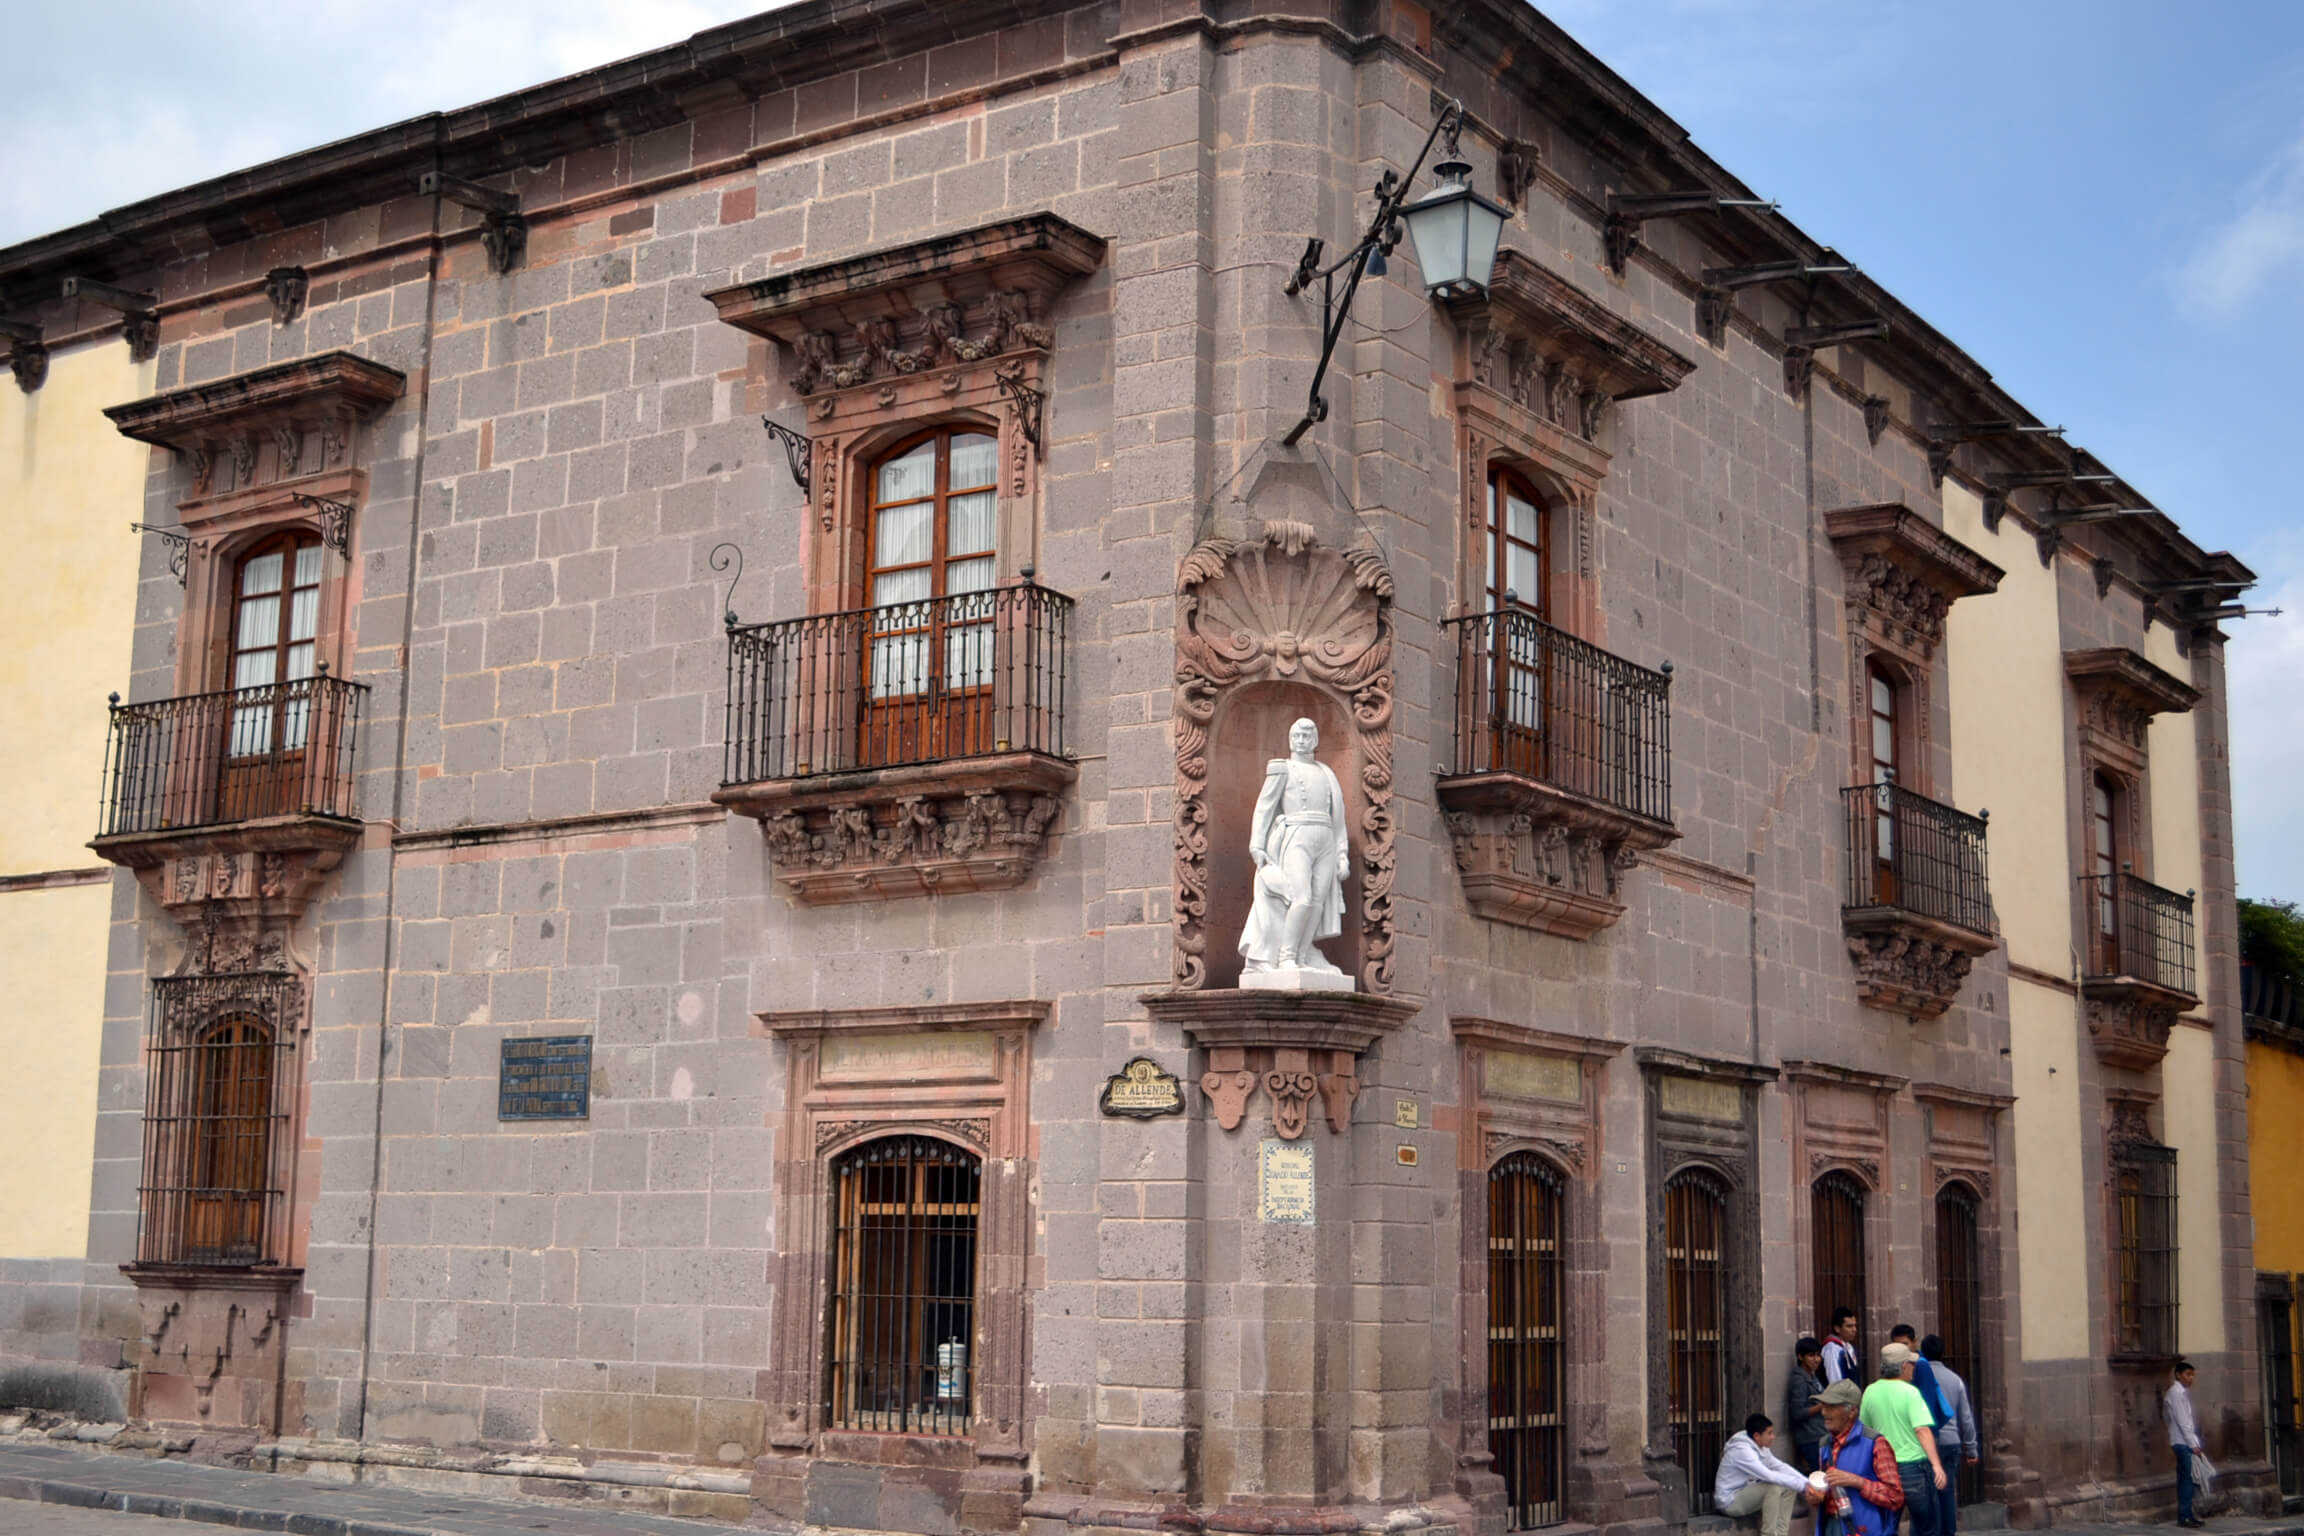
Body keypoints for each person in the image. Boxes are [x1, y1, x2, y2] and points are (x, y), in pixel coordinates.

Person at [1239, 717, 1351, 979]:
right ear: (1291, 739)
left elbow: (1339, 819)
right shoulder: (1282, 769)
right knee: (1299, 897)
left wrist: (1342, 853)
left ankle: (1302, 954)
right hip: (1296, 835)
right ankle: (1286, 955)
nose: (1301, 741)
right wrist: (1257, 844)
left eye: (1307, 736)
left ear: (1315, 740)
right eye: (1297, 736)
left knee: (1317, 902)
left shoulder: (1327, 772)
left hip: (1325, 839)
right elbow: (1264, 808)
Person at [1860, 1342, 1946, 1536]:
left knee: (1888, 1525)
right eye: (1911, 1364)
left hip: (1883, 1468)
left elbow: (1865, 1431)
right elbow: (1922, 1430)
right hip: (1913, 1466)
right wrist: (1936, 1465)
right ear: (1903, 1366)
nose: (1914, 1368)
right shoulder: (1911, 1393)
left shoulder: (1870, 1392)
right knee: (1926, 1526)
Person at [1814, 1378, 1906, 1536]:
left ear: (1852, 1411)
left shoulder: (1875, 1443)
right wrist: (1815, 1497)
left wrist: (1857, 1482)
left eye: (1832, 1406)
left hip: (1864, 1529)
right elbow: (1825, 1497)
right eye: (1824, 1406)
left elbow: (1895, 1497)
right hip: (1831, 1527)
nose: (1824, 1412)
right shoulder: (1825, 1444)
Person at [1715, 1412, 1816, 1536]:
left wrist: (1806, 1482)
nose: (1773, 1437)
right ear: (1757, 1436)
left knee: (1789, 1486)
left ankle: (1782, 1533)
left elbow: (1780, 1466)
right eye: (1769, 1433)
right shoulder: (1742, 1451)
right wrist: (1804, 1487)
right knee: (1772, 1487)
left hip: (1746, 1493)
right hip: (1730, 1502)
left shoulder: (1760, 1446)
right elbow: (1768, 1475)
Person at [1920, 1336, 1977, 1536]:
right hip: (1951, 1441)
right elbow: (1966, 1418)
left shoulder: (1919, 1377)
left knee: (1928, 1494)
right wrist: (1971, 1449)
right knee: (1947, 1492)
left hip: (1927, 1443)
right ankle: (1948, 1531)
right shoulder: (1955, 1379)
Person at [1891, 1324, 1953, 1432]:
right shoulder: (1897, 1366)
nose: (1901, 1349)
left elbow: (1927, 1403)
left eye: (1905, 1344)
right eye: (1897, 1345)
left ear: (1914, 1343)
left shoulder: (1920, 1365)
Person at [2165, 1359, 2204, 1528]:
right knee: (2187, 1480)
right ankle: (2184, 1516)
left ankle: (2187, 1513)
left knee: (2186, 1479)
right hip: (2182, 1442)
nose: (2191, 1378)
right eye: (2187, 1374)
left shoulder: (2179, 1393)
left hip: (2182, 1440)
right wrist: (2192, 1444)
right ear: (2178, 1375)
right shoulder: (2176, 1393)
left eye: (2192, 1375)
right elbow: (2183, 1421)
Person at [1788, 1337, 1830, 1471]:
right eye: (1811, 1355)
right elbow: (1797, 1413)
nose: (1816, 1359)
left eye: (1818, 1355)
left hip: (1821, 1434)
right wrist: (1821, 1406)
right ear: (1800, 1357)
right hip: (1811, 1438)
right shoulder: (1799, 1380)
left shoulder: (1812, 1376)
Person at [1824, 1307, 1861, 1385]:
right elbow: (1835, 1381)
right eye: (1849, 1326)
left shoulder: (1849, 1347)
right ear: (1837, 1328)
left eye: (1855, 1326)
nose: (1854, 1329)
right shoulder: (1833, 1349)